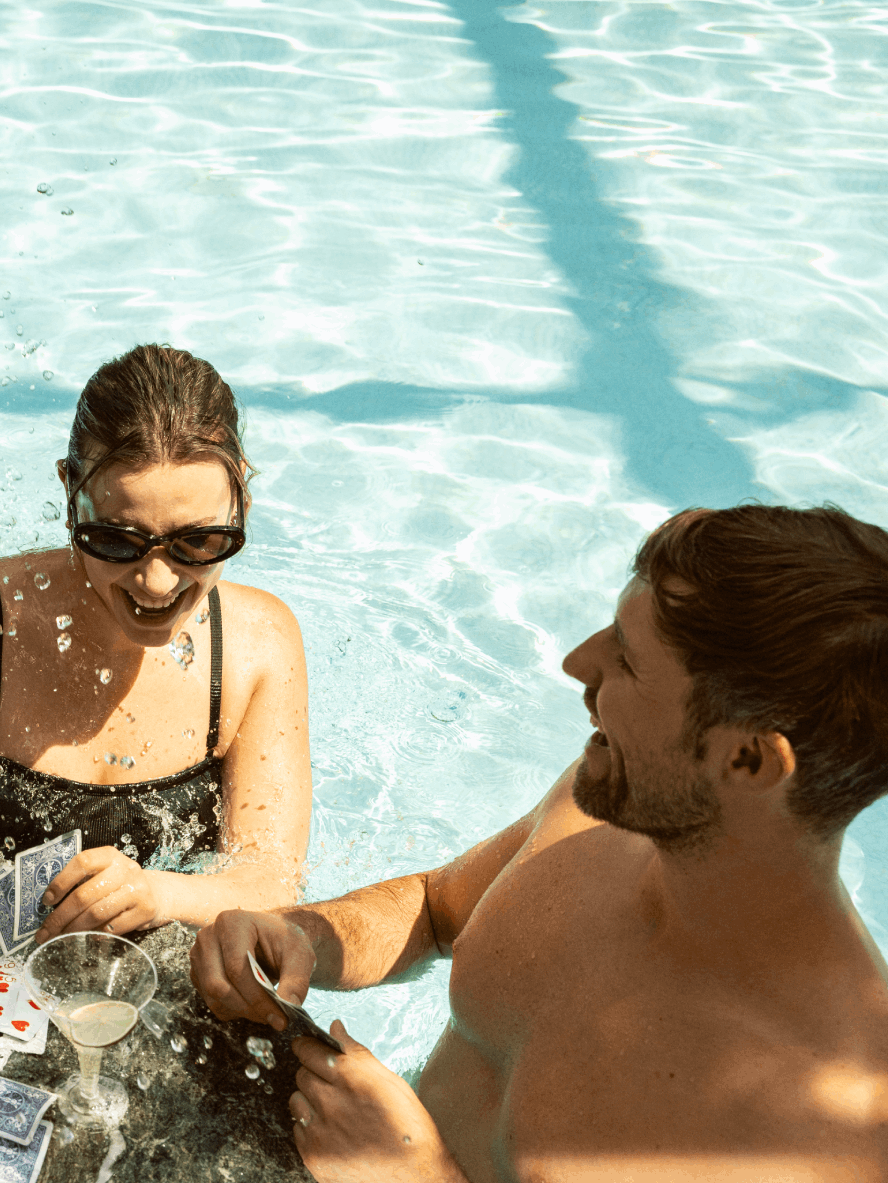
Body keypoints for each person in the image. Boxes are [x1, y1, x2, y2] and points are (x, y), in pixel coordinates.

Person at [192, 504, 888, 1182]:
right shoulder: (605, 814)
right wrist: (305, 935)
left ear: (748, 761)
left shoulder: (825, 1131)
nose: (576, 662)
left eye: (628, 661)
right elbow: (435, 907)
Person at [0, 344, 311, 940]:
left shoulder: (257, 646)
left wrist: (156, 892)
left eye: (199, 541)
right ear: (68, 491)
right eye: (116, 539)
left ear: (242, 494)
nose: (157, 582)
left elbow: (270, 881)